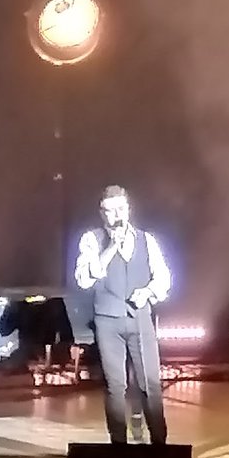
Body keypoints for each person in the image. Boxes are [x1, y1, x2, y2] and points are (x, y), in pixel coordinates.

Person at [74, 186, 171, 444]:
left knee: (150, 382)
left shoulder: (146, 240)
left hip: (140, 319)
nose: (116, 215)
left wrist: (148, 291)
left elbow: (163, 278)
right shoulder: (92, 240)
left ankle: (160, 443)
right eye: (110, 210)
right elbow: (84, 279)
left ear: (128, 209)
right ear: (101, 213)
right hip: (108, 321)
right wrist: (111, 248)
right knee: (115, 386)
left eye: (120, 208)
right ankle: (118, 444)